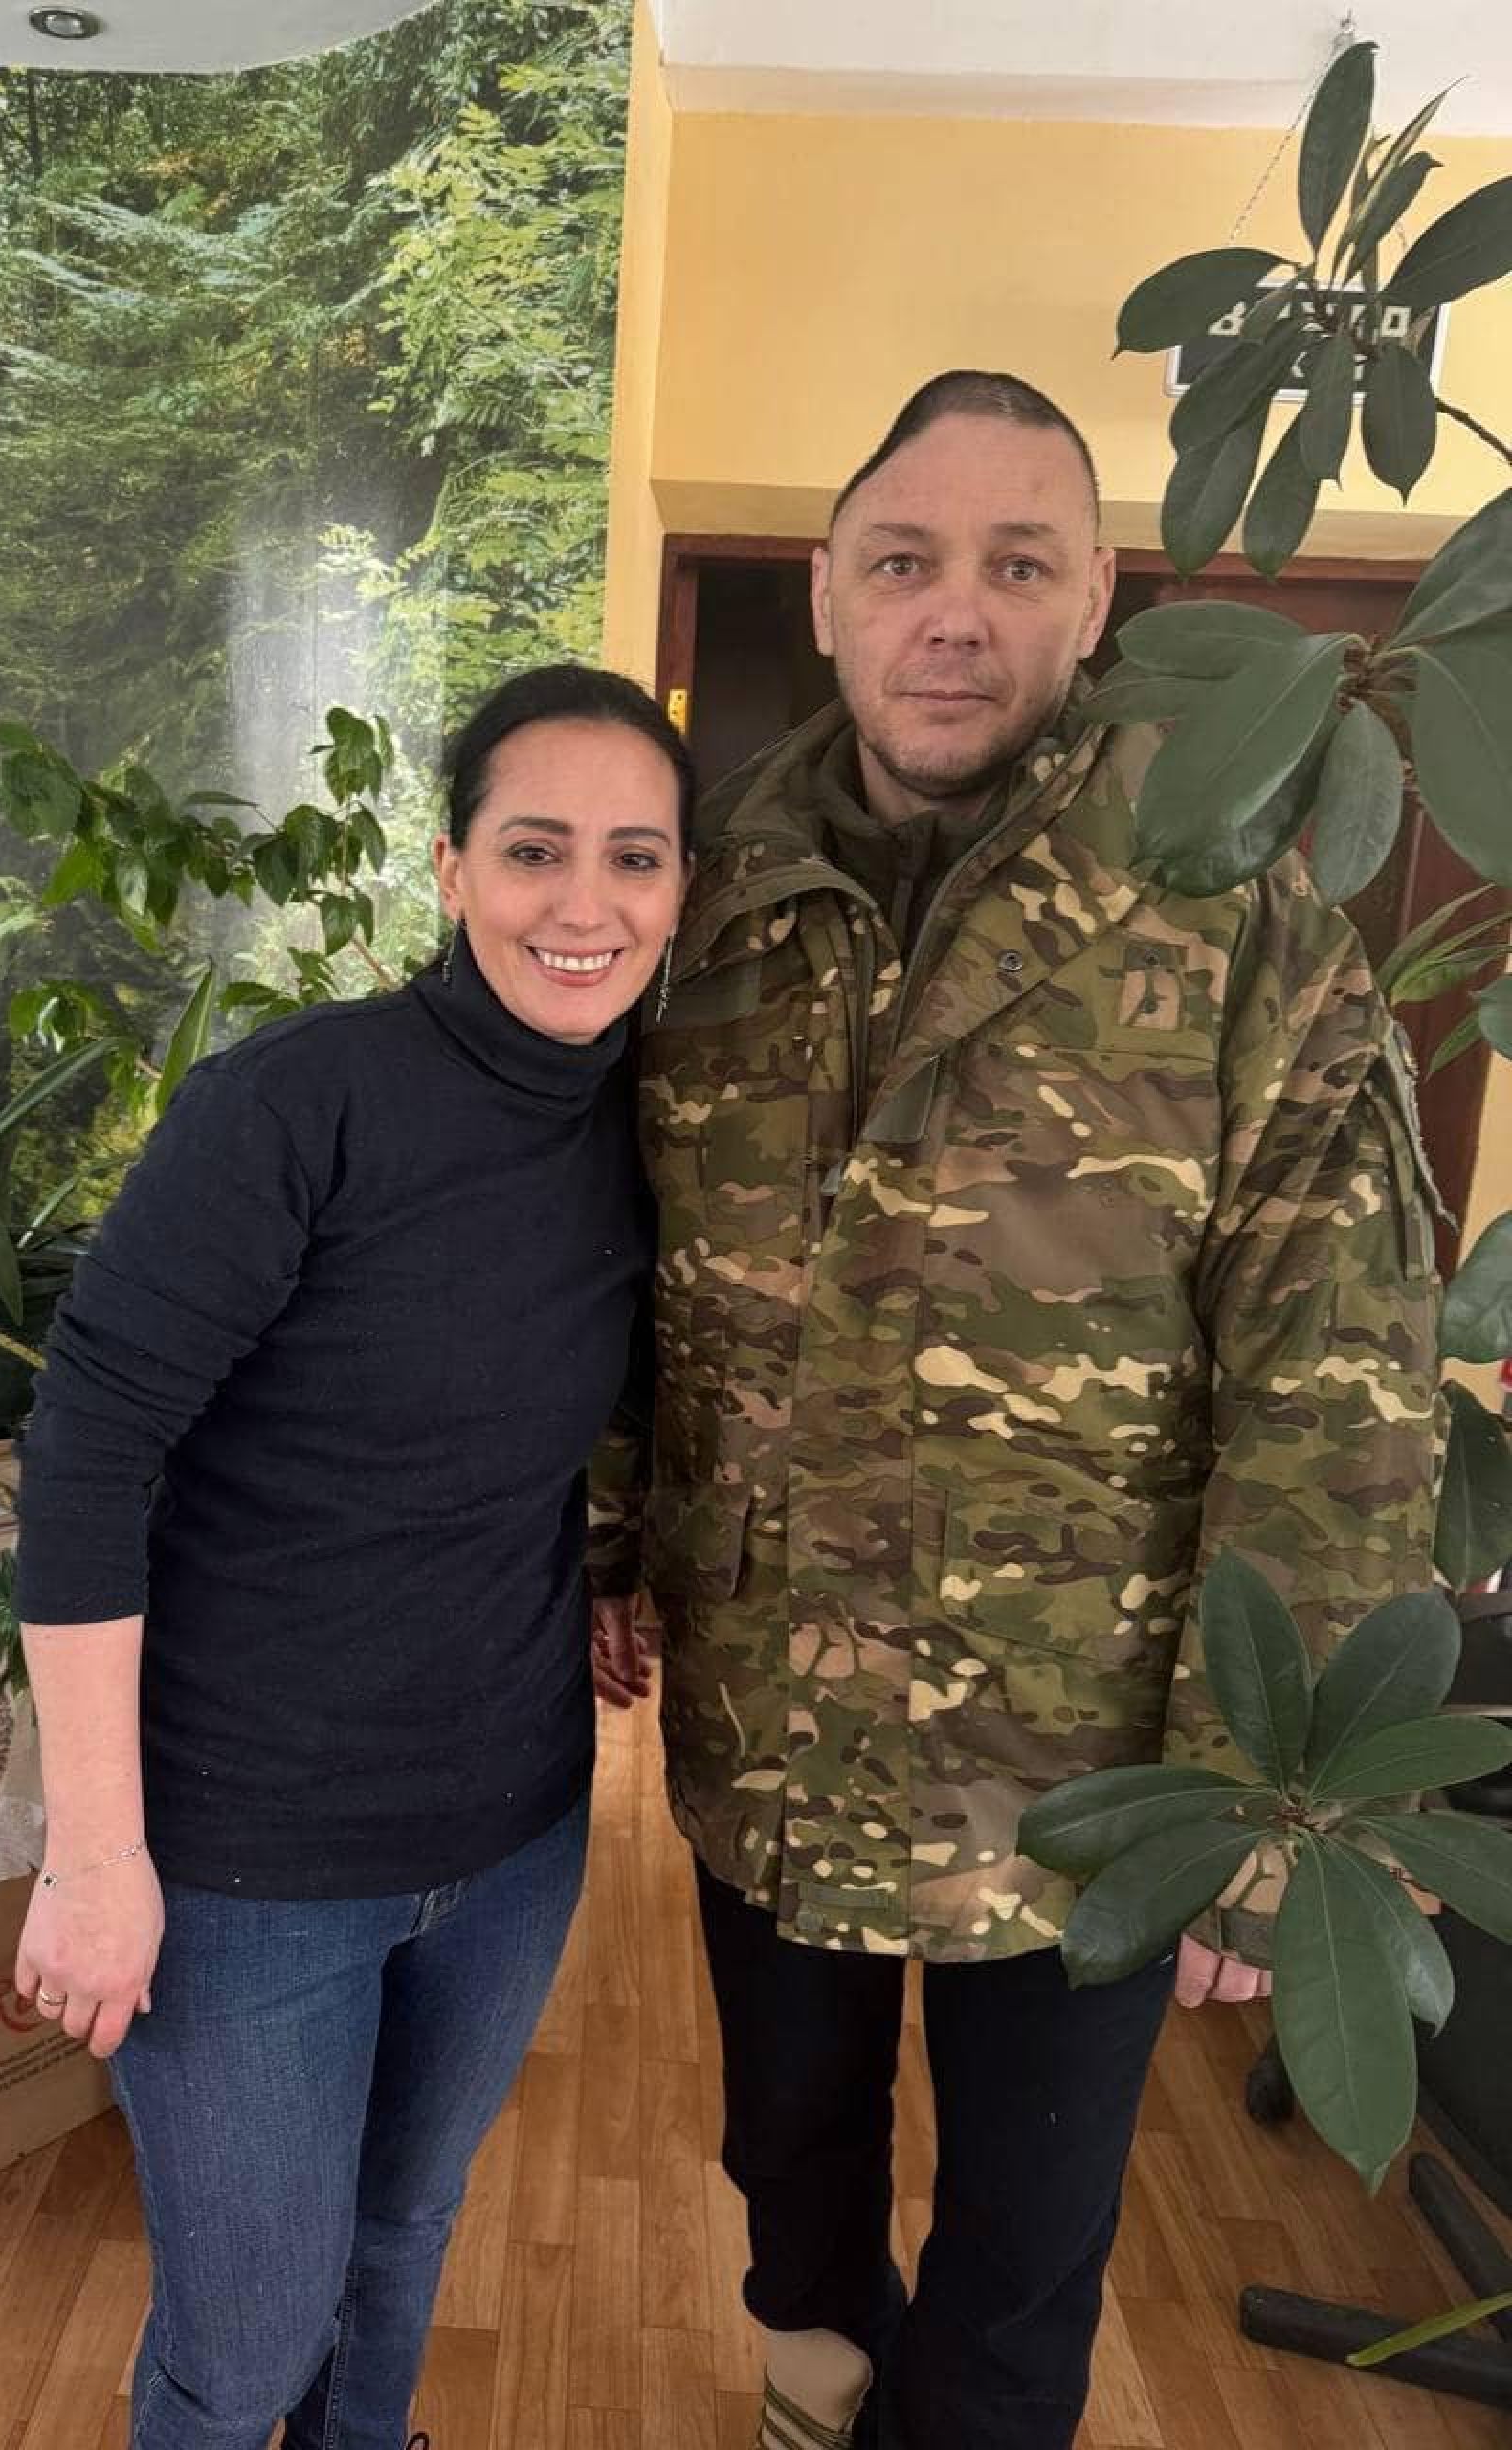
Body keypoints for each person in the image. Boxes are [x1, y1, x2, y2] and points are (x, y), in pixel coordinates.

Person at [589, 372, 1441, 2450]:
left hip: (1078, 1763)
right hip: (771, 1709)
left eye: (1017, 562)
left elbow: (1336, 1381)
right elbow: (614, 1255)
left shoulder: (1229, 906)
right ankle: (814, 2376)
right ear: (831, 592)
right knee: (786, 2154)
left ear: (1096, 603)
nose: (952, 611)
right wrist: (606, 1531)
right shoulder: (704, 893)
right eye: (903, 561)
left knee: (1027, 2240)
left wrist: (1262, 1801)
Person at [11, 662, 692, 2450]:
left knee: (400, 2243)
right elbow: (85, 1456)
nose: (585, 901)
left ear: (681, 889)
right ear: (452, 869)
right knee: (244, 2347)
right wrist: (96, 1857)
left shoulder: (651, 1129)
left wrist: (607, 1562)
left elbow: (548, 1405)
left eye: (635, 856)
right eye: (535, 848)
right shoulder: (297, 1106)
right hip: (250, 1862)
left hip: (514, 1834)